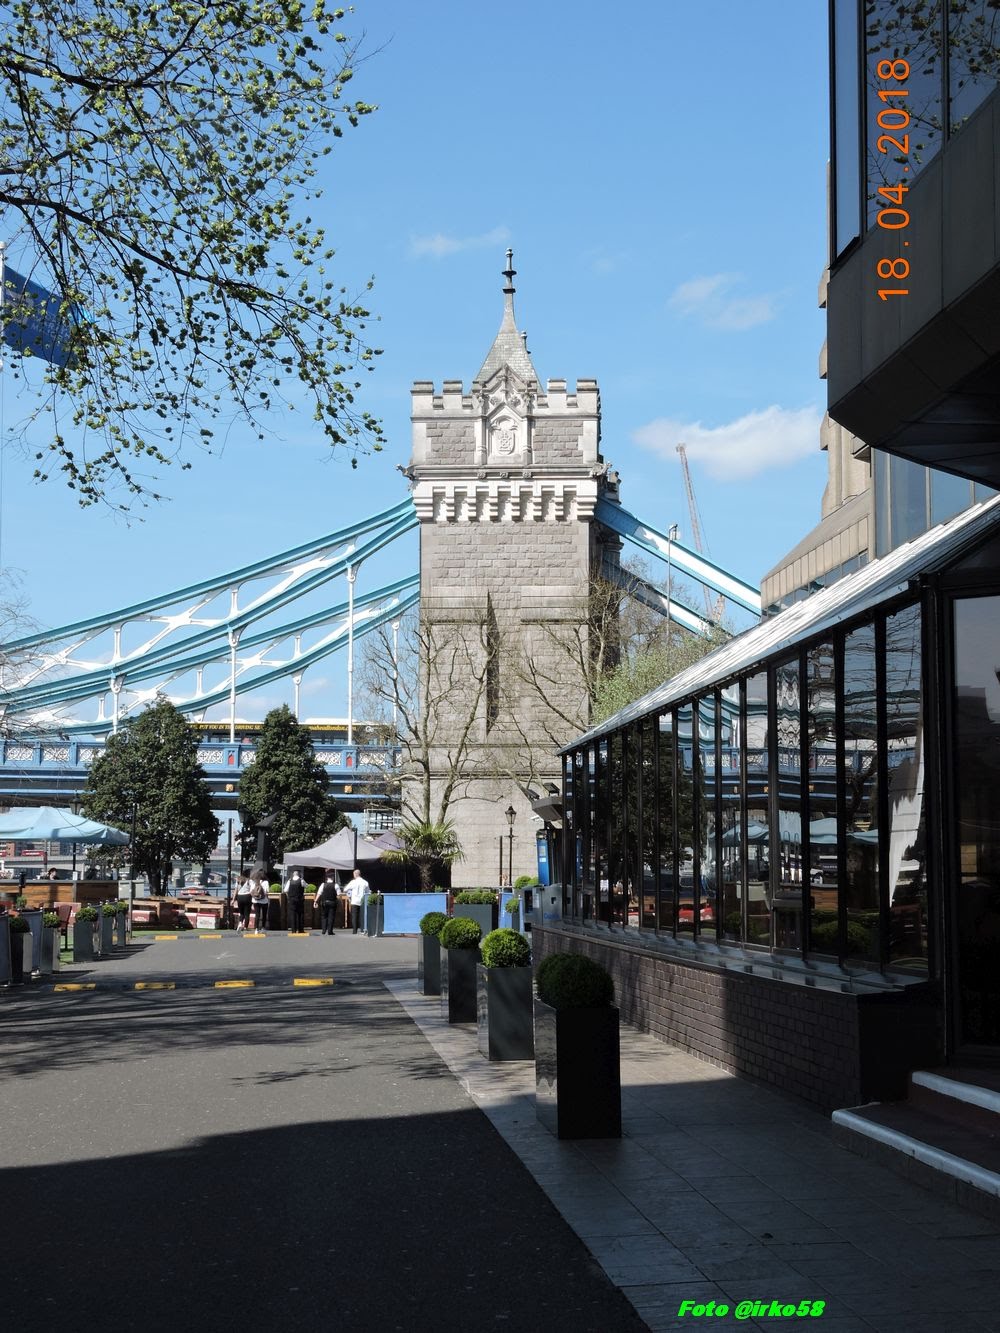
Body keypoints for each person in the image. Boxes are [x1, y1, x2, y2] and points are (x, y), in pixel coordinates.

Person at [315, 869, 339, 935]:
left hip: (324, 902)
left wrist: (315, 901)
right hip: (332, 902)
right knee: (331, 916)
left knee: (324, 916)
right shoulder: (336, 885)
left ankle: (323, 930)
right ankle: (330, 931)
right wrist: (340, 902)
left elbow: (319, 893)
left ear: (327, 878)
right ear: (333, 877)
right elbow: (339, 895)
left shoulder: (323, 885)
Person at [346, 867, 369, 934]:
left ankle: (354, 930)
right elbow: (368, 892)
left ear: (355, 874)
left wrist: (350, 892)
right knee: (362, 915)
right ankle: (362, 929)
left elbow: (345, 889)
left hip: (354, 901)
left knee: (354, 916)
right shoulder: (365, 882)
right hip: (362, 900)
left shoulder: (353, 882)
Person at [285, 869, 306, 933]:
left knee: (293, 914)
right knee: (300, 914)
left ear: (293, 874)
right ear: (299, 874)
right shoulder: (301, 880)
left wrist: (288, 896)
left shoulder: (289, 881)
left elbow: (285, 890)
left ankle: (293, 930)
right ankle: (300, 929)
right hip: (300, 899)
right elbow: (307, 886)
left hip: (292, 899)